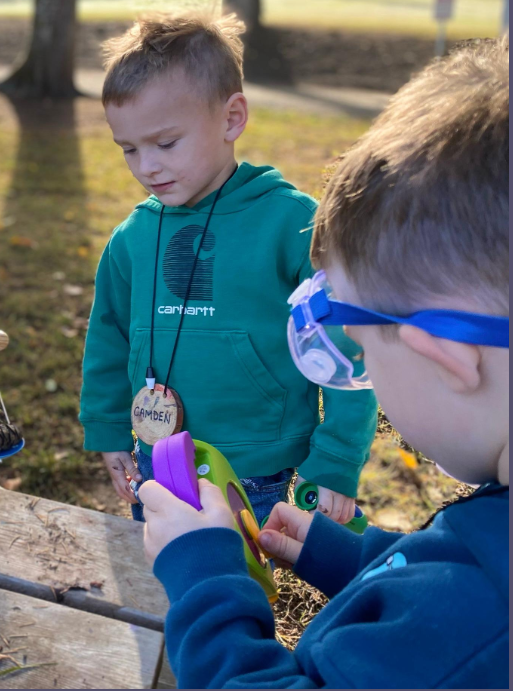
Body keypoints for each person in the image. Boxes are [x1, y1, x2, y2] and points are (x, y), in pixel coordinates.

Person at [141, 37, 509, 687]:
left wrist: (205, 575)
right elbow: (448, 577)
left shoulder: (482, 622)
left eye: (362, 352)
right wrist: (348, 557)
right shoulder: (486, 559)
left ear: (449, 357)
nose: (365, 373)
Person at [80, 11, 378, 525]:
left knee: (239, 596)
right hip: (157, 463)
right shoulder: (131, 239)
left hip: (258, 474)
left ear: (231, 118)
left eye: (165, 143)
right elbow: (108, 340)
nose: (146, 166)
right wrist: (108, 431)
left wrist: (334, 459)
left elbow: (351, 345)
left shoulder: (292, 224)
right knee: (162, 592)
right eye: (128, 149)